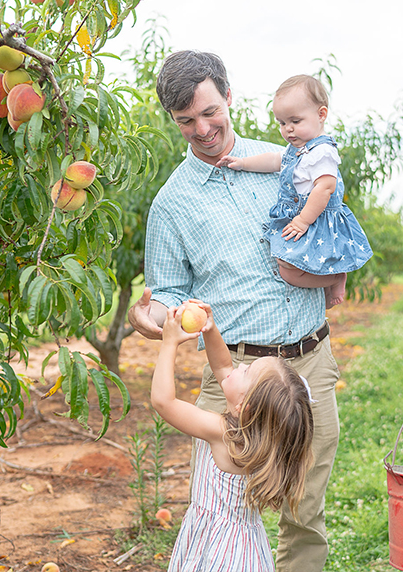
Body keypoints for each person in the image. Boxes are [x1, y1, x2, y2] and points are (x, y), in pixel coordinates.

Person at [127, 50, 341, 572]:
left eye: (209, 112)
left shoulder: (284, 162)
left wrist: (332, 273)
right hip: (235, 373)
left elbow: (329, 224)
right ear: (172, 119)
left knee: (305, 510)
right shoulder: (172, 203)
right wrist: (152, 318)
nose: (202, 129)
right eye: (186, 121)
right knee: (222, 508)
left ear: (229, 96)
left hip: (307, 363)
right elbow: (169, 291)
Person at [151, 301, 314, 572]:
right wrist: (210, 330)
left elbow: (163, 402)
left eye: (246, 371)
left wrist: (170, 343)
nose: (239, 366)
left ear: (244, 405)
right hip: (244, 547)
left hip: (218, 549)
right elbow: (224, 367)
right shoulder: (258, 435)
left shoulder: (222, 432)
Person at [216, 75, 372, 308]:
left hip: (316, 219)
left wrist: (302, 221)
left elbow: (325, 187)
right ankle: (330, 281)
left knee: (288, 269)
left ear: (321, 115)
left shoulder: (322, 152)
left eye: (295, 121)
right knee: (287, 264)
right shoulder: (297, 150)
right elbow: (275, 160)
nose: (288, 129)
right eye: (282, 123)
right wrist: (243, 163)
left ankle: (335, 277)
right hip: (303, 217)